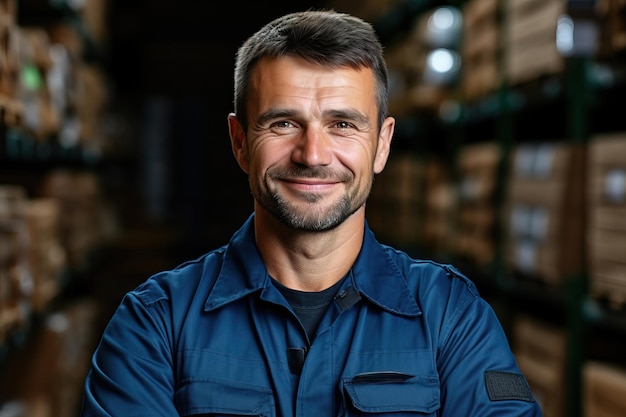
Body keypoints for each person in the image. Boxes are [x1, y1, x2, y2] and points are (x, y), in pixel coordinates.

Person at [80, 9, 542, 417]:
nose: (313, 154)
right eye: (283, 123)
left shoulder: (452, 318)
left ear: (381, 145)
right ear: (240, 142)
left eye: (342, 124)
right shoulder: (154, 324)